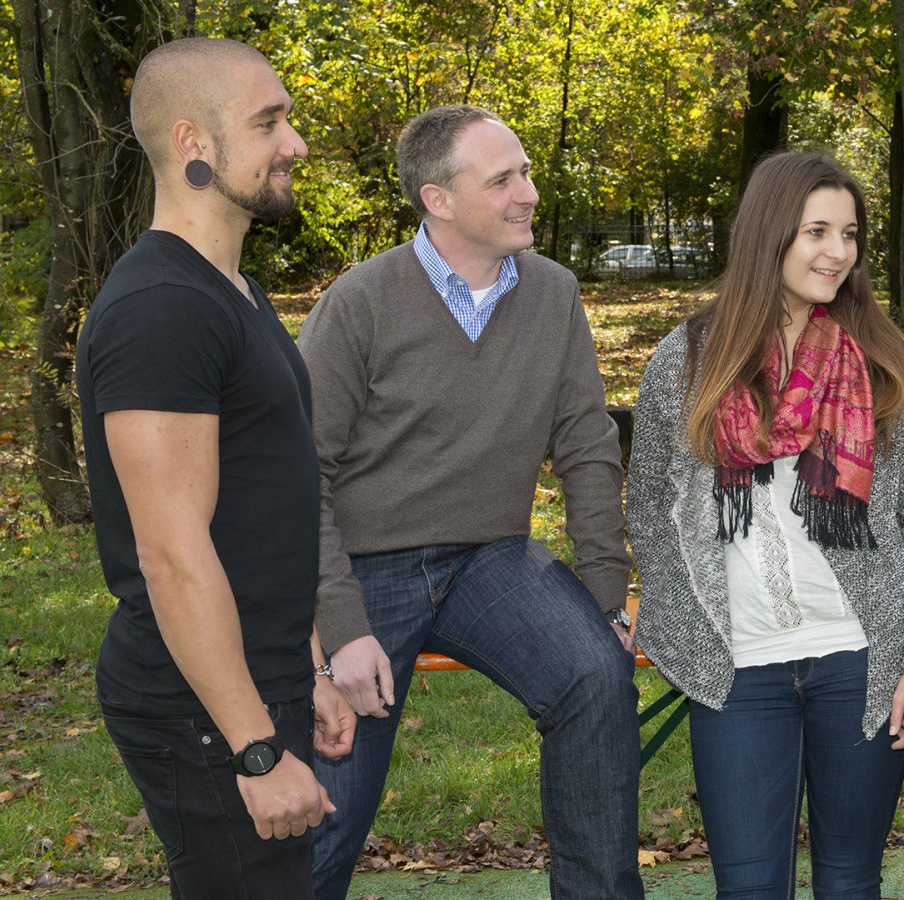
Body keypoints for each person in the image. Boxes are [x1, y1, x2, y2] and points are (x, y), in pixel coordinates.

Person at [297, 104, 644, 899]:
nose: (528, 191)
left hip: (490, 559)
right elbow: (295, 476)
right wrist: (339, 629)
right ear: (439, 199)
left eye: (524, 170)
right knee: (328, 819)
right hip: (362, 569)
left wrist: (604, 596)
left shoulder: (553, 292)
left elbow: (587, 448)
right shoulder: (361, 301)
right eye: (504, 179)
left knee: (596, 678)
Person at [626, 151, 904, 899]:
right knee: (748, 887)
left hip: (860, 659)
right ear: (769, 235)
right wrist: (693, 622)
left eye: (849, 233)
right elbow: (647, 505)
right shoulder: (689, 361)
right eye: (816, 232)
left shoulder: (880, 358)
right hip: (739, 668)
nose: (838, 252)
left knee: (847, 880)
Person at [75, 37, 355, 897]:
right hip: (199, 709)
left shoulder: (230, 289)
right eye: (269, 123)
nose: (295, 143)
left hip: (254, 680)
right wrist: (255, 748)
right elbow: (171, 554)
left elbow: (264, 505)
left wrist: (307, 670)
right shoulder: (163, 310)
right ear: (195, 145)